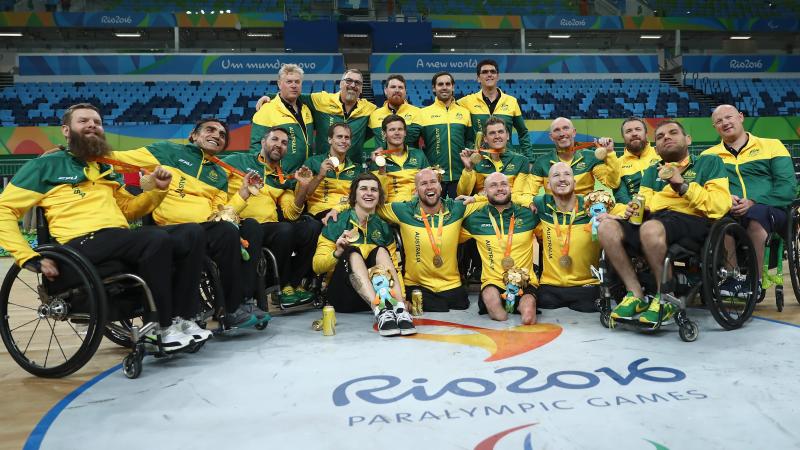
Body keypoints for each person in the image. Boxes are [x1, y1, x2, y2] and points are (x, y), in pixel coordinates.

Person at [0, 103, 205, 351]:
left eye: (97, 122)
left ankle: (184, 319)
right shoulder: (45, 165)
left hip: (115, 239)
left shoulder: (104, 169)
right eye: (83, 121)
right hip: (79, 244)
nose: (92, 126)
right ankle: (158, 328)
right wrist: (27, 257)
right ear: (66, 130)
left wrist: (157, 192)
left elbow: (129, 211)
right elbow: (4, 210)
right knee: (154, 239)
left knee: (191, 232)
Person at [110, 118, 268, 329]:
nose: (217, 136)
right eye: (210, 130)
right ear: (193, 135)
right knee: (224, 231)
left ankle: (243, 301)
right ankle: (231, 308)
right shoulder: (166, 151)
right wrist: (84, 153)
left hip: (206, 227)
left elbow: (220, 214)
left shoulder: (219, 174)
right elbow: (118, 159)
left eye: (222, 135)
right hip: (172, 229)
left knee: (250, 227)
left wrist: (243, 194)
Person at [597, 120, 731, 324]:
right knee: (607, 227)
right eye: (659, 136)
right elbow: (643, 205)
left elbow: (720, 206)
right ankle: (635, 294)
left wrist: (683, 186)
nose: (666, 137)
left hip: (693, 222)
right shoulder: (652, 172)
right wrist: (626, 214)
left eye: (673, 133)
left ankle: (665, 296)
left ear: (687, 139)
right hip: (656, 221)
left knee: (651, 228)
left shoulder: (709, 163)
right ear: (656, 148)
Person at [704, 104, 797, 295]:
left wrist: (753, 201)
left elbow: (787, 188)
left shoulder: (772, 146)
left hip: (772, 210)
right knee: (719, 217)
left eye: (729, 117)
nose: (725, 123)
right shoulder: (708, 156)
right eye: (719, 121)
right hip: (731, 210)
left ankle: (756, 280)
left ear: (741, 117)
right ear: (714, 127)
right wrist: (724, 199)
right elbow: (704, 190)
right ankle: (732, 276)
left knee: (756, 215)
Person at [224, 127, 321, 306]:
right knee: (284, 229)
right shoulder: (237, 160)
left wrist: (303, 187)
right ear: (263, 142)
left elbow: (291, 213)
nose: (279, 145)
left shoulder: (282, 178)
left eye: (284, 143)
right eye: (275, 139)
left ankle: (293, 283)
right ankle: (281, 287)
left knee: (312, 227)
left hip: (270, 228)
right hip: (242, 225)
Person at [313, 173, 415, 337]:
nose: (369, 193)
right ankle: (380, 310)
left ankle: (398, 308)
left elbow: (394, 266)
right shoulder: (337, 221)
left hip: (377, 294)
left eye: (374, 190)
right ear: (354, 195)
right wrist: (337, 252)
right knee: (352, 251)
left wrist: (402, 296)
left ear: (379, 196)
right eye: (364, 189)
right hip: (343, 296)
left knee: (381, 250)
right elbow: (317, 266)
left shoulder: (382, 226)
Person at [461, 172, 538, 324]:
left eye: (503, 184)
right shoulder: (474, 219)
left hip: (525, 281)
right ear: (485, 191)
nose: (499, 189)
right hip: (493, 282)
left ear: (510, 188)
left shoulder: (529, 214)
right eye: (493, 185)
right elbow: (449, 237)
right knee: (496, 309)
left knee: (528, 317)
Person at [256, 68, 377, 165]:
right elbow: (296, 96)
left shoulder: (369, 109)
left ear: (361, 88)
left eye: (357, 83)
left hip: (353, 169)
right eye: (348, 81)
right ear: (341, 84)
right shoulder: (322, 100)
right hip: (322, 167)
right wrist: (270, 97)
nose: (353, 85)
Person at [532, 162, 601, 313]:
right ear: (548, 185)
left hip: (586, 286)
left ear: (575, 182)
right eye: (556, 175)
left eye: (567, 174)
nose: (562, 179)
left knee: (588, 308)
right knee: (543, 303)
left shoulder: (592, 206)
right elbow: (510, 200)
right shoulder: (541, 204)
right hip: (550, 287)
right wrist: (477, 199)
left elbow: (618, 209)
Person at [407, 71, 472, 199]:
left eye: (448, 84)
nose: (444, 87)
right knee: (433, 216)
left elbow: (470, 140)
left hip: (460, 175)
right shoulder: (423, 113)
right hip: (433, 178)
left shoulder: (465, 113)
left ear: (453, 87)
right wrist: (421, 161)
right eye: (440, 84)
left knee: (460, 214)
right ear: (434, 88)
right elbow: (409, 142)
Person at [457, 59, 533, 158]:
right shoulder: (466, 102)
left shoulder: (512, 101)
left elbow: (523, 133)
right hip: (480, 161)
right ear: (478, 78)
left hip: (507, 160)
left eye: (493, 72)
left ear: (497, 77)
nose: (489, 74)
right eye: (484, 72)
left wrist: (530, 159)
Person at [249, 63, 315, 173]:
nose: (294, 85)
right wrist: (268, 174)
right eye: (289, 81)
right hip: (279, 177)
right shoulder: (266, 110)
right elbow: (255, 147)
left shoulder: (306, 109)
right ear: (279, 84)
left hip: (303, 176)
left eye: (297, 82)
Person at [530, 117, 620, 195]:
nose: (561, 134)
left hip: (585, 212)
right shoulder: (542, 162)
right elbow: (528, 192)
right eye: (557, 130)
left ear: (574, 132)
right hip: (554, 212)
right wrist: (530, 203)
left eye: (565, 128)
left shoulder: (591, 157)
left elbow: (612, 184)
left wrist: (610, 153)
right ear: (551, 137)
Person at [457, 116, 532, 206]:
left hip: (509, 208)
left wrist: (477, 198)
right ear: (485, 138)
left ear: (507, 135)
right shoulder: (477, 161)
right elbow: (463, 194)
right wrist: (468, 169)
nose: (497, 136)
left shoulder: (521, 161)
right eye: (492, 133)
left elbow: (516, 195)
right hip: (482, 211)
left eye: (500, 132)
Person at [296, 123, 362, 219]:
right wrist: (320, 176)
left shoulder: (357, 169)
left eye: (347, 138)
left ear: (350, 142)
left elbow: (359, 198)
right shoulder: (312, 162)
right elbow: (302, 196)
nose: (343, 140)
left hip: (346, 212)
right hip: (319, 213)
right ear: (330, 140)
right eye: (339, 137)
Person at [368, 114, 429, 203]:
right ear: (384, 134)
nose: (397, 133)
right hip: (391, 208)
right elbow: (379, 198)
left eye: (400, 129)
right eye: (392, 130)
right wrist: (382, 169)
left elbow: (429, 184)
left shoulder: (418, 154)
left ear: (405, 133)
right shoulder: (377, 159)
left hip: (418, 205)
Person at [611, 117, 661, 215]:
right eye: (628, 131)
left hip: (664, 210)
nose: (634, 133)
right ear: (623, 137)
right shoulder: (617, 163)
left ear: (646, 134)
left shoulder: (660, 154)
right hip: (635, 214)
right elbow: (621, 196)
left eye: (638, 129)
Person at [369, 74, 421, 149]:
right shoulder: (374, 114)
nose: (397, 90)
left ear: (405, 91)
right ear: (385, 90)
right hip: (383, 160)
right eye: (393, 87)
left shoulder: (418, 112)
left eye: (400, 87)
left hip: (411, 160)